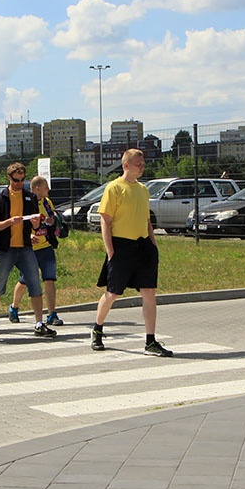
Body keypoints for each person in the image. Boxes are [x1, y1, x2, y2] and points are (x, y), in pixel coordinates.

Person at [92, 149, 171, 356]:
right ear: (126, 165)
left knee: (149, 292)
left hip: (143, 246)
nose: (142, 166)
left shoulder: (143, 189)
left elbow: (146, 220)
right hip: (121, 246)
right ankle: (97, 329)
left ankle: (150, 341)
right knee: (112, 293)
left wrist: (153, 245)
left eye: (143, 163)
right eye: (138, 163)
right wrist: (111, 252)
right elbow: (105, 221)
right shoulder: (114, 188)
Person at [0, 163, 55, 338]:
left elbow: (36, 221)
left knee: (34, 283)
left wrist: (35, 224)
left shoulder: (29, 197)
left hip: (25, 247)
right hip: (5, 248)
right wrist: (10, 221)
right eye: (16, 180)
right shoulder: (0, 197)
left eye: (22, 180)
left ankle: (39, 323)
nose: (19, 183)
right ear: (9, 178)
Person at [8, 175, 64, 328]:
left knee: (50, 279)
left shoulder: (47, 203)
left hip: (45, 247)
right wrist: (29, 235)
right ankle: (14, 307)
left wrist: (52, 223)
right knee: (25, 281)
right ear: (37, 188)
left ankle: (52, 313)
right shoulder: (27, 202)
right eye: (46, 186)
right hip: (30, 250)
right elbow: (20, 222)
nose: (49, 189)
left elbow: (51, 218)